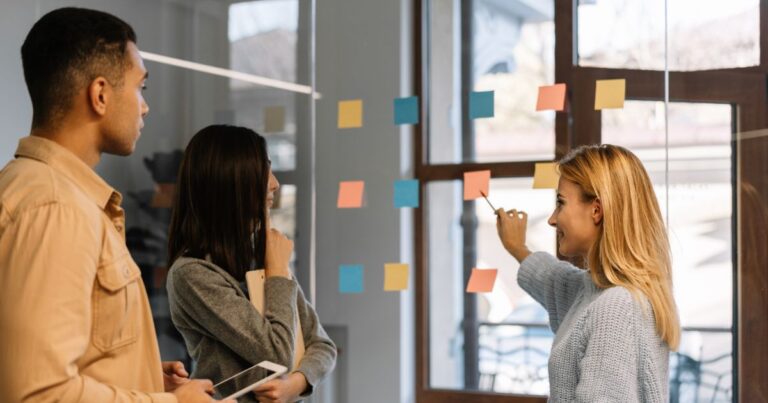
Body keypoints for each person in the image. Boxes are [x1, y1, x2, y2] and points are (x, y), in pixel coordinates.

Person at [0, 7, 227, 403]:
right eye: (141, 87)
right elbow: (37, 393)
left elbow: (53, 360)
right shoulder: (57, 208)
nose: (145, 106)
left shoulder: (47, 194)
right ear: (100, 94)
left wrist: (137, 372)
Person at [166, 125, 337, 403]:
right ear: (233, 179)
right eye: (264, 171)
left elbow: (322, 345)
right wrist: (279, 273)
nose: (275, 184)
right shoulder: (192, 274)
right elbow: (276, 352)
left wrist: (295, 384)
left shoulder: (261, 255)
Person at [495, 144, 680, 402]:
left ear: (596, 210)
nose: (552, 219)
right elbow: (554, 279)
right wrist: (517, 248)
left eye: (561, 203)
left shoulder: (615, 308)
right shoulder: (602, 292)